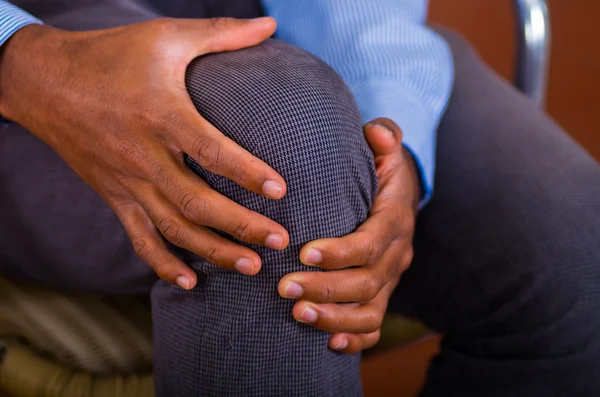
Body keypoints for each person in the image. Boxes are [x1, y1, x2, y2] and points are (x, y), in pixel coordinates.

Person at [0, 0, 598, 396]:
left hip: (283, 24)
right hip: (34, 40)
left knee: (574, 256)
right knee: (280, 151)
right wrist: (26, 63)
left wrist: (394, 136)